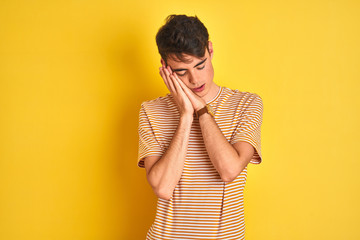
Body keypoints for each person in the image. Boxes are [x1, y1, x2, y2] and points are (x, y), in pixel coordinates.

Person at [137, 14, 263, 240]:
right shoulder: (151, 111)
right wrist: (186, 115)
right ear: (166, 68)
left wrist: (202, 110)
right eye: (181, 72)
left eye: (200, 65)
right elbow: (163, 187)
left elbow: (228, 170)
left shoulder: (247, 104)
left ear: (210, 50)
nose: (194, 79)